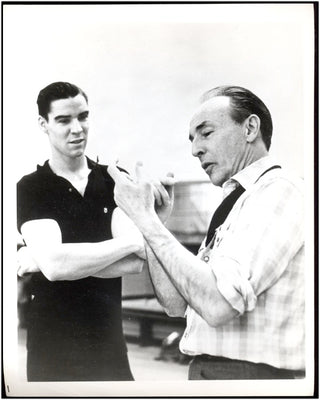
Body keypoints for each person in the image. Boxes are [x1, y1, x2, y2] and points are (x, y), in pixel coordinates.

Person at [108, 85, 305, 380]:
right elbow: (176, 303)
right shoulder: (237, 202)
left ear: (250, 128)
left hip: (250, 378)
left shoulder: (281, 190)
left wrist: (144, 217)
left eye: (206, 132)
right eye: (192, 138)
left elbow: (218, 304)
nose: (194, 149)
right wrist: (156, 227)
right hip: (211, 372)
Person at [17, 81, 149, 381]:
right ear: (43, 123)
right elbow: (55, 266)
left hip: (109, 345)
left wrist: (51, 259)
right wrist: (130, 241)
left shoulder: (114, 181)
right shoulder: (31, 188)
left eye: (83, 117)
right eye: (64, 120)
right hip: (52, 350)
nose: (77, 128)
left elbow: (135, 263)